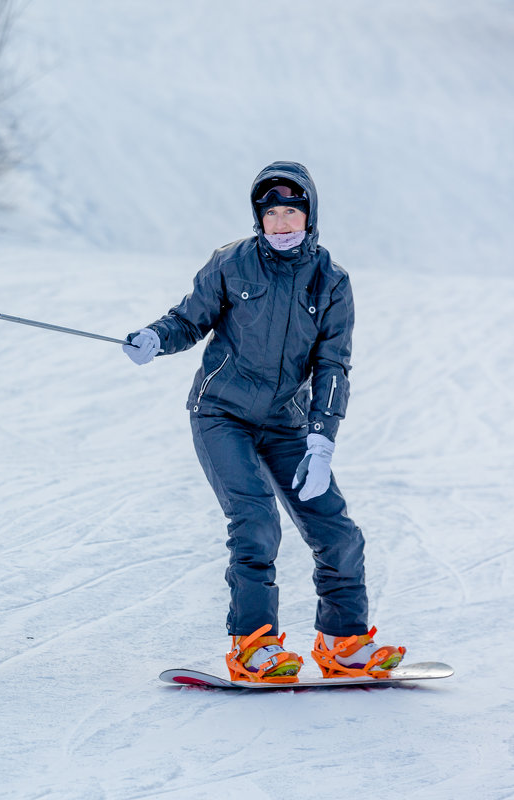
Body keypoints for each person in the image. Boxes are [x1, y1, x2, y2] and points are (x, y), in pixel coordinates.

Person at [121, 161, 404, 683]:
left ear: (309, 216)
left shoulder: (332, 281)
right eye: (271, 212)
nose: (280, 222)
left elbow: (333, 365)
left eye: (291, 211)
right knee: (255, 521)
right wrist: (157, 338)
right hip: (221, 413)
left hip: (286, 424)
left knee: (336, 530)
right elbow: (190, 318)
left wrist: (321, 441)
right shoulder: (231, 263)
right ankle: (253, 646)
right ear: (259, 218)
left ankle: (343, 645)